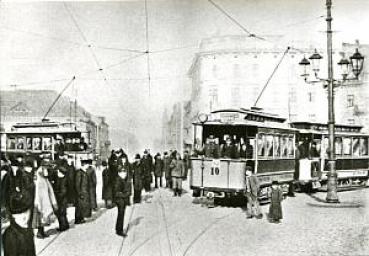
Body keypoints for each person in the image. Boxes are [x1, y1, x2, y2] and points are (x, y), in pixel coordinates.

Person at [2, 157, 36, 256]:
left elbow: (29, 196)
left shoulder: (24, 178)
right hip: (13, 212)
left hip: (22, 209)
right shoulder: (7, 178)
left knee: (25, 238)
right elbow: (3, 195)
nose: (15, 169)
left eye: (17, 167)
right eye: (13, 167)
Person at [32, 158, 58, 239]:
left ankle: (42, 232)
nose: (47, 169)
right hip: (40, 202)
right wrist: (39, 202)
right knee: (40, 218)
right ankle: (40, 233)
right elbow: (38, 192)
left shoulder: (44, 177)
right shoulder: (40, 178)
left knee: (44, 218)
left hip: (45, 201)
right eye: (46, 167)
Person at [51, 161, 70, 232]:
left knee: (61, 213)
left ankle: (63, 227)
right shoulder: (60, 178)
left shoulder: (63, 180)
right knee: (62, 213)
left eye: (58, 172)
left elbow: (63, 192)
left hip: (62, 200)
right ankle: (66, 225)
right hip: (61, 199)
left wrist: (56, 195)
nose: (57, 173)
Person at [114, 166, 131, 237]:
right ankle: (119, 230)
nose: (124, 174)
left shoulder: (124, 179)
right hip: (120, 200)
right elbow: (116, 192)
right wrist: (125, 194)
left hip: (123, 200)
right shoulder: (118, 180)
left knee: (121, 215)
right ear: (119, 173)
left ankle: (118, 229)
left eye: (125, 172)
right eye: (122, 172)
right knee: (121, 215)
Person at [75, 159, 92, 224]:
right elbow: (77, 184)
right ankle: (78, 219)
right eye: (87, 165)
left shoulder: (84, 172)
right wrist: (79, 193)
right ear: (84, 165)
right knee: (79, 207)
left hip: (85, 192)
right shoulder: (79, 173)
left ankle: (81, 218)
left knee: (82, 206)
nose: (88, 166)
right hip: (82, 192)